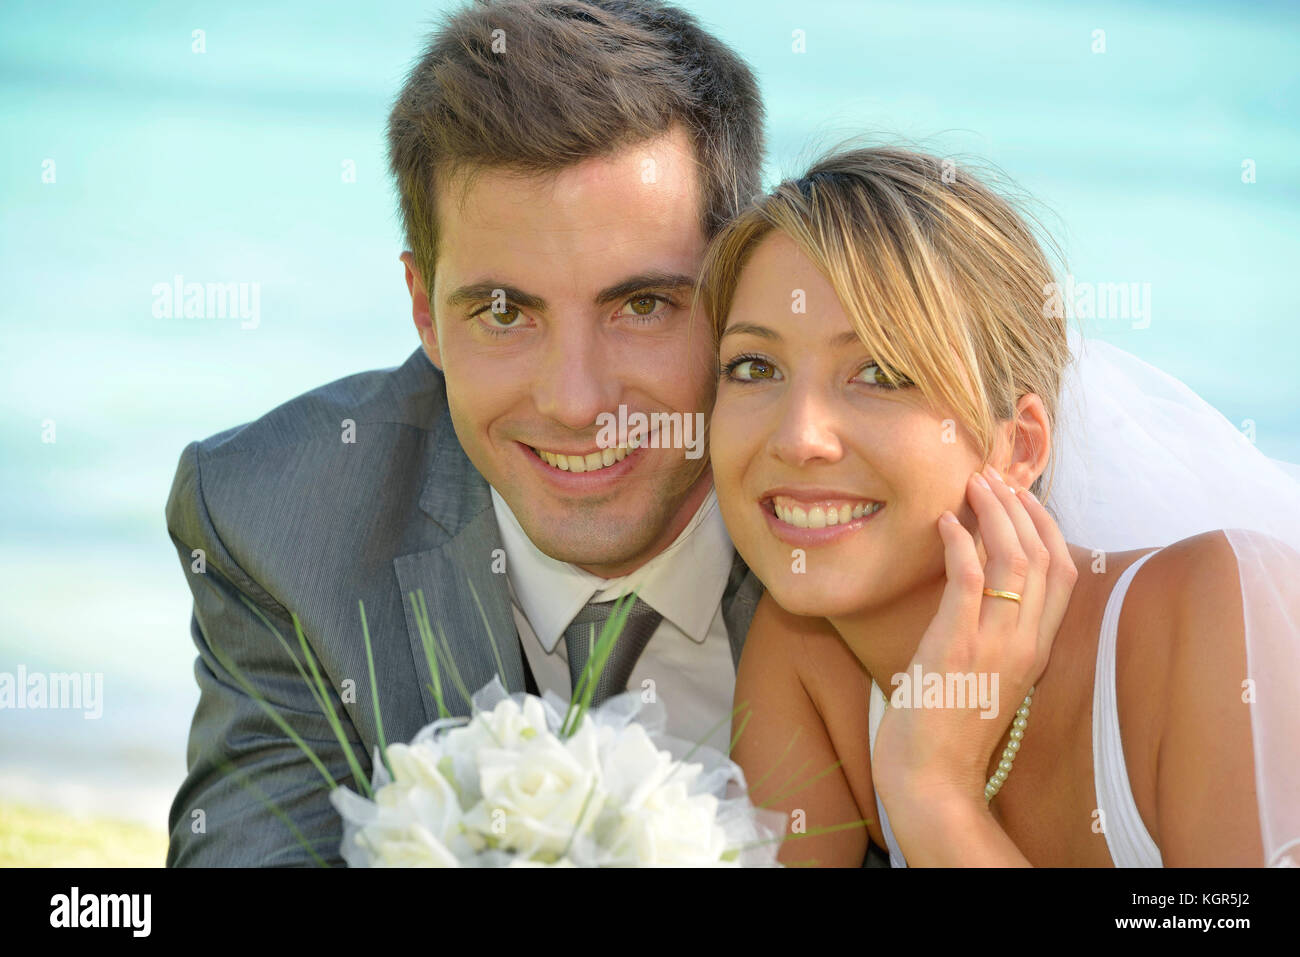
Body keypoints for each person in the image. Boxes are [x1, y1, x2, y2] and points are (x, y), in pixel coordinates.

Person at [163, 0, 768, 867]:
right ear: (425, 312)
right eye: (503, 311)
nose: (575, 400)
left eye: (642, 305)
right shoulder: (277, 521)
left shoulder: (871, 508)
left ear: (739, 284)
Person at [702, 146, 1300, 867]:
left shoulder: (1218, 610)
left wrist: (934, 794)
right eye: (753, 367)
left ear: (1017, 446)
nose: (798, 437)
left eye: (881, 374)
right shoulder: (803, 653)